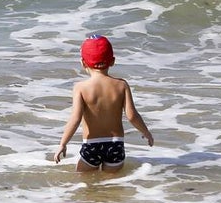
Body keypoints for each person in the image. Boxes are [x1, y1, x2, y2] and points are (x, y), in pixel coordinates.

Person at [53, 35, 154, 172]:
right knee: (112, 185)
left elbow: (75, 119)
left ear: (83, 63)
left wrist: (62, 144)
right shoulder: (121, 85)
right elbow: (132, 115)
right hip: (115, 145)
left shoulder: (81, 88)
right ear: (112, 61)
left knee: (85, 183)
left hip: (91, 145)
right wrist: (146, 132)